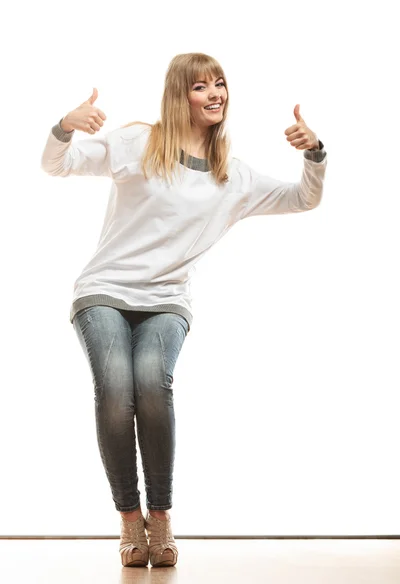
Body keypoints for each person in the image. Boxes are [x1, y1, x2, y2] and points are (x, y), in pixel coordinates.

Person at [40, 52, 328, 569]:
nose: (215, 93)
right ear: (180, 95)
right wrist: (65, 127)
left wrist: (315, 153)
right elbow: (55, 164)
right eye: (201, 87)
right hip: (104, 289)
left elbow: (302, 199)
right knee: (116, 391)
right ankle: (131, 523)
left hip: (166, 301)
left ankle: (162, 516)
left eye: (220, 84)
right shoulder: (137, 144)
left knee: (152, 382)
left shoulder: (231, 177)